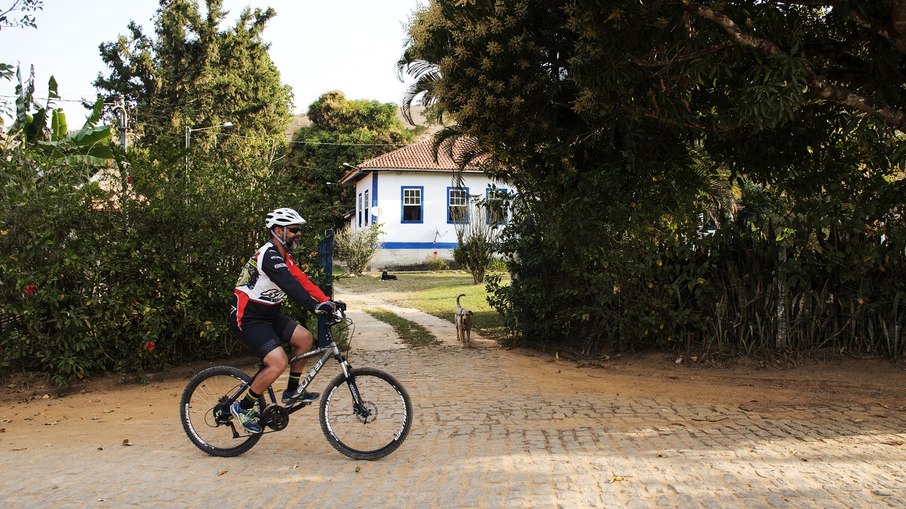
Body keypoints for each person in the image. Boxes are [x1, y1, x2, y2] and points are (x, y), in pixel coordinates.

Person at [227, 207, 337, 433]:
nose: (299, 234)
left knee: (305, 339)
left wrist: (328, 301)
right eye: (294, 230)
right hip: (248, 317)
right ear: (278, 230)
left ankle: (292, 391)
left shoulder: (284, 257)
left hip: (269, 315)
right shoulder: (269, 255)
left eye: (299, 230)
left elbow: (303, 282)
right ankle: (243, 407)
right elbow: (289, 284)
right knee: (278, 362)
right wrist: (313, 306)